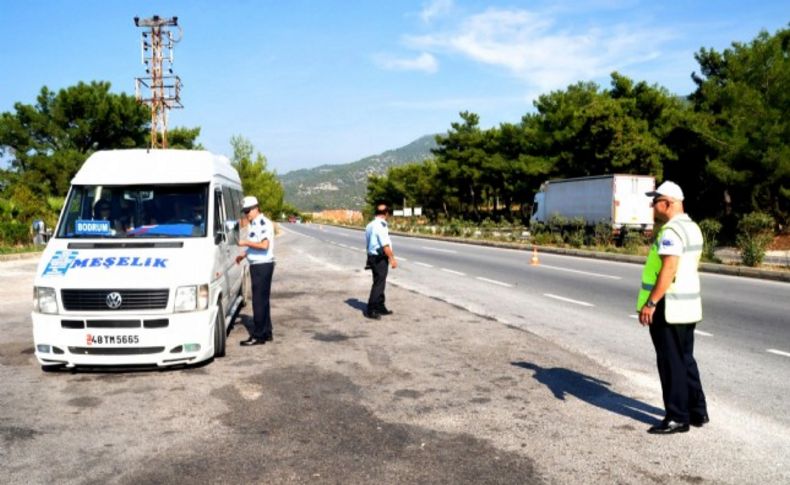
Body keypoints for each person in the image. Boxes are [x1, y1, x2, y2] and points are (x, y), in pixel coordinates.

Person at [637, 181, 708, 434]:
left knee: (670, 362)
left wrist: (651, 302)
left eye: (655, 201)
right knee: (686, 359)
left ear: (667, 203)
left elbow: (669, 269)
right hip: (688, 306)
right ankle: (698, 411)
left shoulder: (670, 231)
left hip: (669, 305)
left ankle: (677, 416)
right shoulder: (692, 228)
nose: (653, 206)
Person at [235, 196, 275, 346]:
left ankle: (258, 336)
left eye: (248, 211)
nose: (246, 214)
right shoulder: (255, 223)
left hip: (262, 265)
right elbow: (254, 245)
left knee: (258, 302)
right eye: (245, 212)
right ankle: (266, 332)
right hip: (258, 264)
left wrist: (245, 242)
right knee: (263, 301)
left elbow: (264, 245)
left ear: (256, 208)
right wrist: (243, 254)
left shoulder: (264, 223)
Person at [364, 203, 397, 319]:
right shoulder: (380, 226)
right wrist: (392, 258)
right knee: (379, 283)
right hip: (380, 258)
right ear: (386, 213)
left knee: (379, 281)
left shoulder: (370, 225)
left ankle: (380, 306)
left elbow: (368, 244)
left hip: (372, 257)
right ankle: (371, 309)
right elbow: (385, 245)